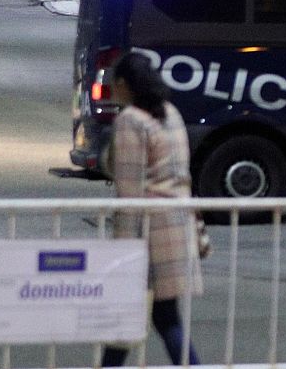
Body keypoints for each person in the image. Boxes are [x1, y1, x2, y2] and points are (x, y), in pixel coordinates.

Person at [102, 52, 202, 367]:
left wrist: (122, 250)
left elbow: (129, 191)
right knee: (162, 316)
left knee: (133, 318)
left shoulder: (131, 120)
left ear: (122, 84)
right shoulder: (169, 112)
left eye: (113, 85)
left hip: (149, 234)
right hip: (177, 226)